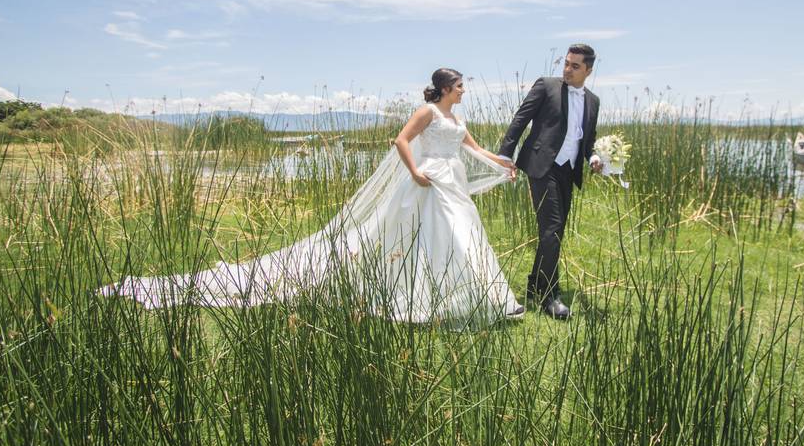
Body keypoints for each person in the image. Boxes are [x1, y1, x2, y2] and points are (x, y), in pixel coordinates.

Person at [100, 68, 525, 328]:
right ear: (445, 87)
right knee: (429, 234)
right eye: (460, 85)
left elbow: (474, 148)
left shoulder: (456, 116)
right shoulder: (427, 113)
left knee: (463, 235)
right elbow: (400, 140)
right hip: (429, 178)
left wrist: (504, 163)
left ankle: (478, 298)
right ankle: (428, 299)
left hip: (451, 180)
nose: (464, 89)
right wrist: (414, 171)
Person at [497, 44, 602, 320]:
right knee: (552, 228)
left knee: (554, 229)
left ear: (588, 70)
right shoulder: (546, 85)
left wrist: (593, 158)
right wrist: (505, 154)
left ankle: (535, 282)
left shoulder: (593, 101)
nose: (568, 69)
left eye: (575, 66)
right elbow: (521, 119)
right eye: (566, 63)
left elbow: (587, 141)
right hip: (541, 166)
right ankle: (548, 294)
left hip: (568, 170)